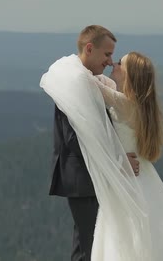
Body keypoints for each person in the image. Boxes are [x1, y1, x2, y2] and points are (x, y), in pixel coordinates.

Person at [41, 46, 163, 260]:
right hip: (140, 176)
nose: (113, 64)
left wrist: (75, 60)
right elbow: (103, 84)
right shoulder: (137, 105)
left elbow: (88, 84)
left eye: (119, 63)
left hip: (129, 177)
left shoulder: (125, 103)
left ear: (129, 75)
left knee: (127, 236)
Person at [46, 25, 140, 261]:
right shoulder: (73, 82)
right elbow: (75, 138)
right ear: (90, 48)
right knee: (90, 245)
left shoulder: (84, 79)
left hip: (89, 175)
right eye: (107, 54)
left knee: (91, 243)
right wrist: (117, 159)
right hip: (83, 178)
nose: (110, 62)